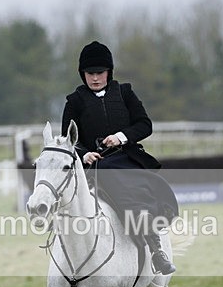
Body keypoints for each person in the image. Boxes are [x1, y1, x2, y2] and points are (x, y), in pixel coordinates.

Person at [61, 40, 178, 274]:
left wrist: (121, 136)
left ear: (109, 72)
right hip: (94, 165)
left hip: (126, 158)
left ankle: (155, 248)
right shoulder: (74, 101)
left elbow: (145, 125)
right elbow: (67, 139)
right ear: (82, 74)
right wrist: (84, 155)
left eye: (100, 73)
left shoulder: (125, 93)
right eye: (89, 73)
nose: (94, 78)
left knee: (138, 189)